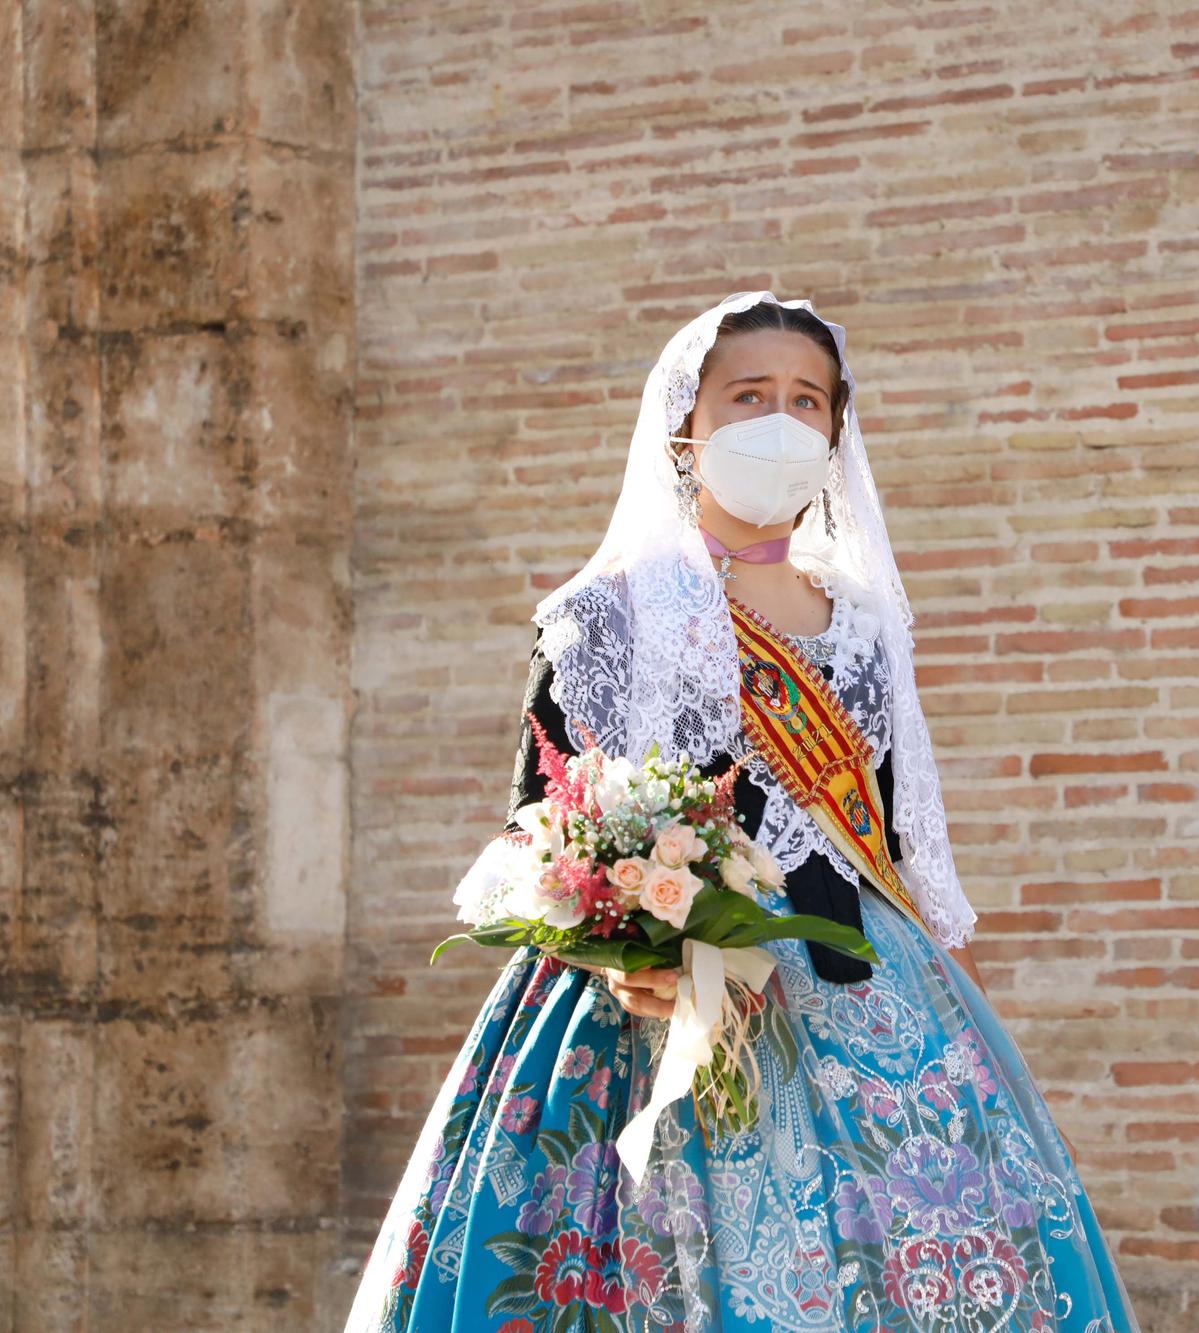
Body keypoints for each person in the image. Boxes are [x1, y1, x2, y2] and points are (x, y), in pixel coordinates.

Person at [345, 291, 1142, 1332]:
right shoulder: (602, 615)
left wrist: (983, 1056)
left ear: (835, 432)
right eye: (748, 395)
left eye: (807, 400)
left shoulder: (865, 628)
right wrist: (618, 951)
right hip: (636, 1015)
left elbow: (903, 851)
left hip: (869, 995)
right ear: (685, 425)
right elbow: (531, 838)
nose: (781, 420)